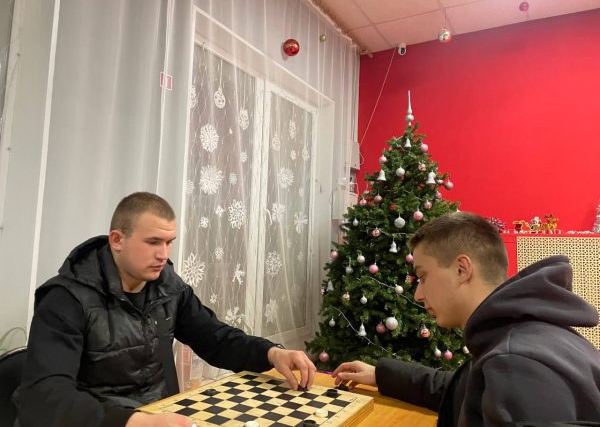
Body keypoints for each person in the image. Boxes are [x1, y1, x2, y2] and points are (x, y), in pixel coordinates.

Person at [15, 192, 316, 427]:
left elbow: (215, 338)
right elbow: (44, 396)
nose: (164, 254)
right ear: (117, 240)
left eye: (169, 242)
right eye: (153, 242)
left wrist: (271, 353)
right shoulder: (65, 299)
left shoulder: (168, 286)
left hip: (159, 414)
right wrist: (133, 422)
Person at [331, 212, 600, 426]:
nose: (418, 294)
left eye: (423, 276)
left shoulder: (516, 362)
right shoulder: (518, 335)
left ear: (462, 269)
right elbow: (463, 389)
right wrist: (381, 375)